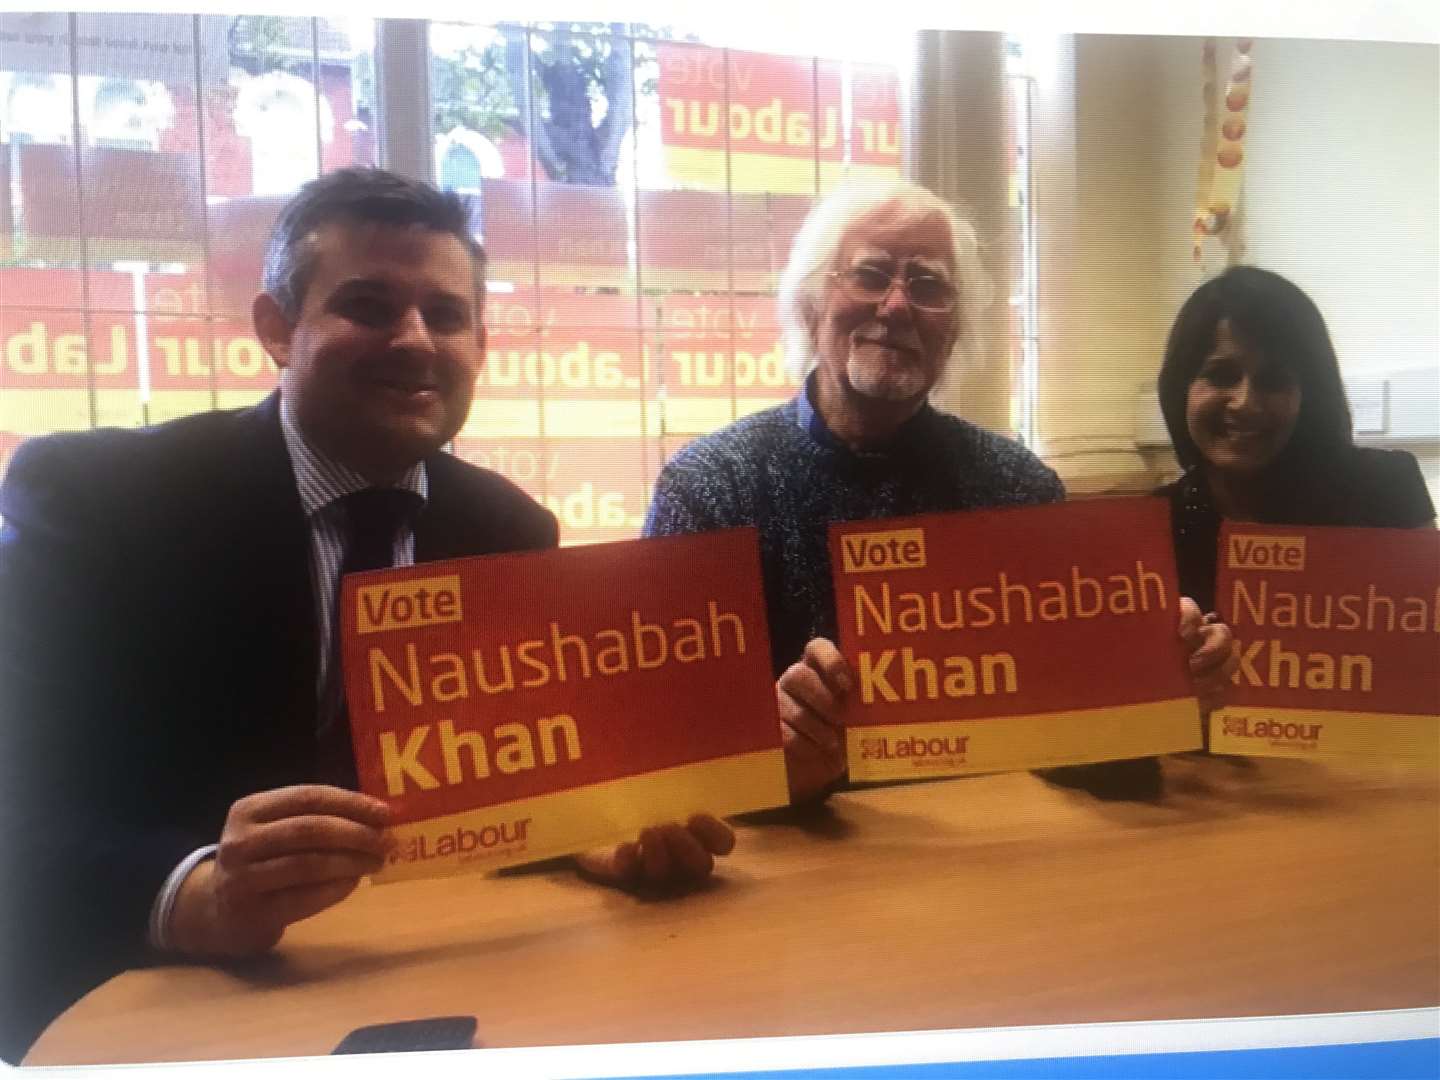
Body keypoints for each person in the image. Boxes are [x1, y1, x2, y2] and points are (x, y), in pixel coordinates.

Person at [0, 168, 731, 1063]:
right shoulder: (101, 501)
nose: (415, 340)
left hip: (434, 987)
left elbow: (508, 782)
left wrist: (588, 837)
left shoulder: (508, 529)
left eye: (447, 316)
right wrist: (192, 891)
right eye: (369, 305)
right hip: (151, 1004)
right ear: (276, 328)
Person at [644, 180, 1238, 805]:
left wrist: (1161, 700)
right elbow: (659, 747)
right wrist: (757, 760)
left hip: (996, 854)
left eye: (928, 288)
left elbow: (1079, 751)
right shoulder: (711, 488)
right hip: (791, 867)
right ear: (813, 303)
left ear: (954, 332)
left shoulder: (1017, 489)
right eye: (871, 275)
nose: (897, 306)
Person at [1157, 265, 1435, 612]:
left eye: (1274, 380)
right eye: (1222, 375)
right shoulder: (1154, 526)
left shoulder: (1383, 491)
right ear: (1180, 388)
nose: (1246, 403)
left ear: (1309, 396)